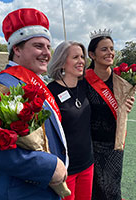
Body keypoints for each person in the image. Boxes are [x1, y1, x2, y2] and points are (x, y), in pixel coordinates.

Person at [0, 8, 68, 200]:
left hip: (45, 190)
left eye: (48, 47)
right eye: (39, 46)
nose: (47, 54)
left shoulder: (37, 84)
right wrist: (49, 167)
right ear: (16, 49)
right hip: (20, 194)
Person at [85, 29, 134, 200]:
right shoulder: (83, 81)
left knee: (112, 189)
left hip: (114, 144)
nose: (110, 53)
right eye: (104, 49)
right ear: (92, 54)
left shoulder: (121, 80)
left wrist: (127, 106)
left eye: (112, 49)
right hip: (90, 144)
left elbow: (121, 109)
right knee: (94, 190)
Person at [47, 41, 94, 200]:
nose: (81, 61)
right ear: (61, 62)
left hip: (87, 163)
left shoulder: (85, 86)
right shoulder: (50, 91)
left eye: (82, 57)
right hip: (65, 169)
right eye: (75, 57)